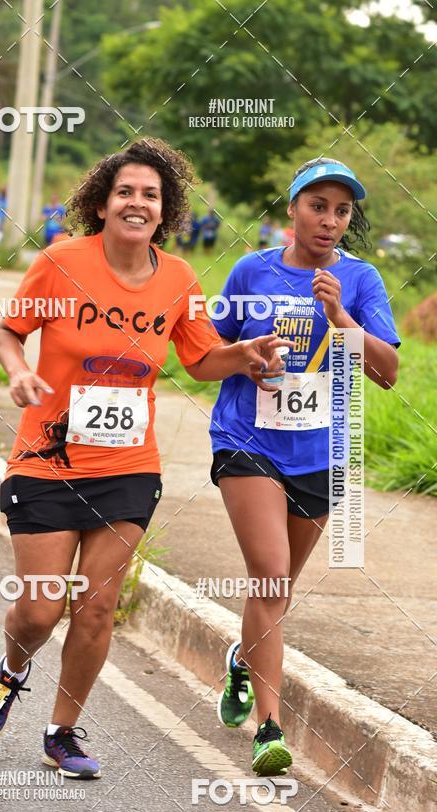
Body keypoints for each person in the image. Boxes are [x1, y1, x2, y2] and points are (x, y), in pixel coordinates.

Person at [0, 137, 290, 779]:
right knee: (39, 610)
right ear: (103, 202)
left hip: (127, 468)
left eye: (151, 194)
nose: (137, 203)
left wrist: (246, 353)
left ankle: (62, 733)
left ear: (165, 208)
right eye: (126, 192)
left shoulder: (177, 279)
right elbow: (10, 330)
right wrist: (16, 372)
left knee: (94, 606)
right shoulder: (61, 261)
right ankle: (12, 668)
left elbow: (200, 359)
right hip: (47, 457)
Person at [211, 157, 400, 776]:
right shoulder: (250, 270)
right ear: (291, 209)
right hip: (247, 440)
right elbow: (207, 358)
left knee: (277, 592)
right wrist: (247, 358)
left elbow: (386, 373)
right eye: (317, 205)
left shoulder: (362, 280)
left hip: (320, 449)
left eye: (342, 210)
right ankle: (271, 728)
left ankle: (244, 657)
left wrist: (341, 318)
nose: (330, 220)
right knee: (267, 575)